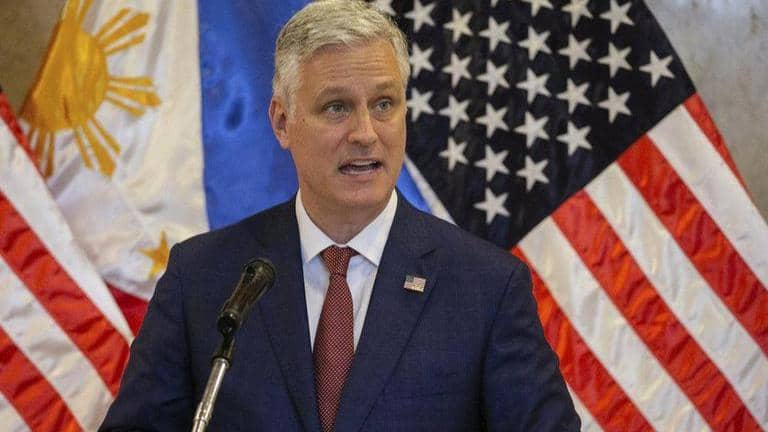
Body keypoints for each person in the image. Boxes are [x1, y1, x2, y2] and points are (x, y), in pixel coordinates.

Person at [100, 1, 580, 430]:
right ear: (282, 122)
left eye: (384, 104)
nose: (365, 133)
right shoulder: (204, 279)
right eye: (337, 108)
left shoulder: (486, 288)